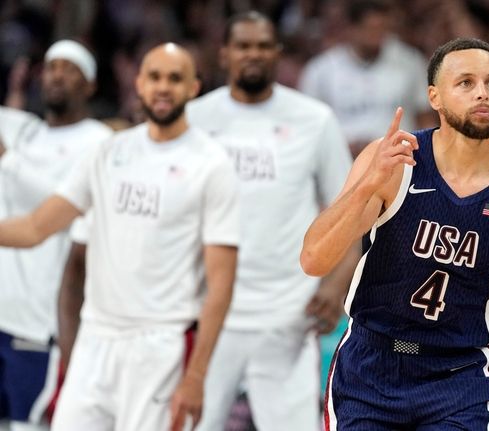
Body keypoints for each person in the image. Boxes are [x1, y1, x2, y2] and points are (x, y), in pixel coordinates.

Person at [301, 37, 489, 431]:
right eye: (466, 83)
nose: (483, 92)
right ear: (434, 97)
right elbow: (313, 260)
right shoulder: (393, 162)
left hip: (459, 377)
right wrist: (367, 186)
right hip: (370, 366)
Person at [0, 43, 240, 431]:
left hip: (159, 345)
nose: (164, 87)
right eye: (155, 77)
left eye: (175, 78)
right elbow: (34, 228)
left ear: (193, 88)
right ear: (139, 84)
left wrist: (196, 376)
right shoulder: (107, 152)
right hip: (95, 337)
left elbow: (221, 283)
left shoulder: (211, 165)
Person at [185, 12, 354, 431]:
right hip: (207, 312)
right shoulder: (195, 119)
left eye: (263, 45)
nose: (253, 54)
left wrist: (336, 285)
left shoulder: (315, 119)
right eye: (243, 45)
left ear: (278, 53)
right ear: (224, 54)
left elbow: (352, 212)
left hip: (287, 313)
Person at [0, 39, 112, 431]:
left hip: (39, 321)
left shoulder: (98, 141)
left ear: (90, 85)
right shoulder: (26, 132)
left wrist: (7, 159)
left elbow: (56, 208)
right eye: (51, 67)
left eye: (70, 69)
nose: (57, 75)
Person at [299, 0, 433, 156]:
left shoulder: (410, 61)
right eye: (370, 29)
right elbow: (308, 126)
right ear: (351, 28)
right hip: (342, 159)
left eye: (382, 29)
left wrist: (428, 155)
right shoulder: (321, 70)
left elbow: (425, 118)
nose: (376, 36)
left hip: (401, 158)